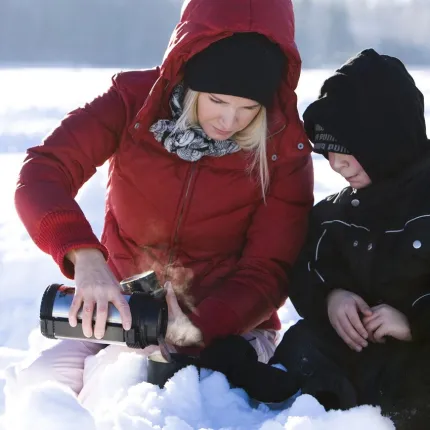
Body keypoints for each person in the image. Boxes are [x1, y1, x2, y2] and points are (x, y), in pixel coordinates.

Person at [6, 0, 313, 403]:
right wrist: (85, 257)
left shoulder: (282, 149)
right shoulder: (132, 103)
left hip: (227, 331)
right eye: (217, 101)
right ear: (190, 76)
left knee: (124, 387)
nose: (229, 121)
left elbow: (268, 270)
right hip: (121, 312)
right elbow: (42, 172)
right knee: (40, 389)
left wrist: (195, 326)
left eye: (248, 108)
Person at [199, 49, 430, 429]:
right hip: (356, 356)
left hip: (414, 358)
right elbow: (306, 266)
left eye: (346, 151)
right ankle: (277, 396)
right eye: (328, 153)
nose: (335, 164)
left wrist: (413, 324)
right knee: (305, 341)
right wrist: (331, 297)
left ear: (385, 139)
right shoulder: (337, 215)